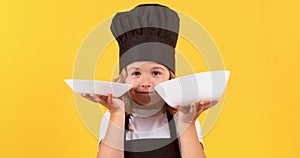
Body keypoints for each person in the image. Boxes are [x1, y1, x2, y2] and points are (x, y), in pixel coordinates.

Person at [81, 4, 218, 158]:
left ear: (170, 78)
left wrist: (188, 123)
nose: (145, 82)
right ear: (123, 79)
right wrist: (116, 112)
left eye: (155, 73)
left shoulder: (183, 116)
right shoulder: (112, 117)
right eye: (136, 73)